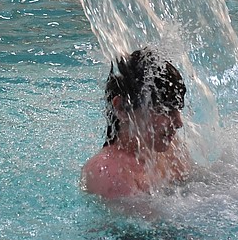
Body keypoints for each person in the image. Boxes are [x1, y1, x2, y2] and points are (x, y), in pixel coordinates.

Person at [81, 47, 191, 199]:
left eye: (177, 109)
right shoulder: (107, 172)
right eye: (165, 110)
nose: (179, 123)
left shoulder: (170, 151)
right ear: (122, 109)